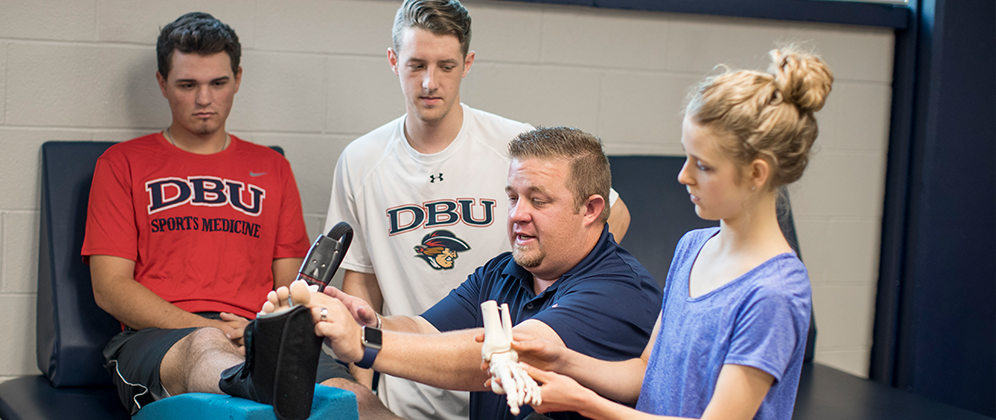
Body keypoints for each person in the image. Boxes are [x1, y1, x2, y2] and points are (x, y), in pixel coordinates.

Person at [324, 1, 630, 417]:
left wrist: (558, 300)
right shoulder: (361, 160)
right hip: (408, 377)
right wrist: (365, 376)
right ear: (394, 61)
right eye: (416, 65)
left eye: (446, 66)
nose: (430, 82)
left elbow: (614, 213)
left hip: (501, 384)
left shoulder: (517, 146)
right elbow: (362, 279)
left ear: (467, 64)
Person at [80, 12, 394, 418]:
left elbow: (289, 284)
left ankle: (266, 372)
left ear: (238, 79)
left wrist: (264, 330)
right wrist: (209, 327)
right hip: (162, 339)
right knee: (205, 346)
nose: (204, 99)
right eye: (187, 85)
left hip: (262, 332)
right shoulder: (122, 164)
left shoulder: (272, 168)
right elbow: (110, 288)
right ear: (162, 83)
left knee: (354, 400)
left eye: (218, 83)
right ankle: (255, 379)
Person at [513, 47, 831, 420]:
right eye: (686, 156)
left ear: (757, 174)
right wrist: (562, 359)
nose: (684, 175)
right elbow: (646, 372)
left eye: (704, 166)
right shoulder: (692, 247)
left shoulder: (774, 293)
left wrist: (586, 402)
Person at [309, 126, 662, 420]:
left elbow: (499, 360)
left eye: (538, 201)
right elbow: (424, 329)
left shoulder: (618, 290)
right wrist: (369, 323)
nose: (517, 215)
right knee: (356, 402)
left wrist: (362, 344)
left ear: (590, 209)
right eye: (513, 198)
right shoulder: (504, 271)